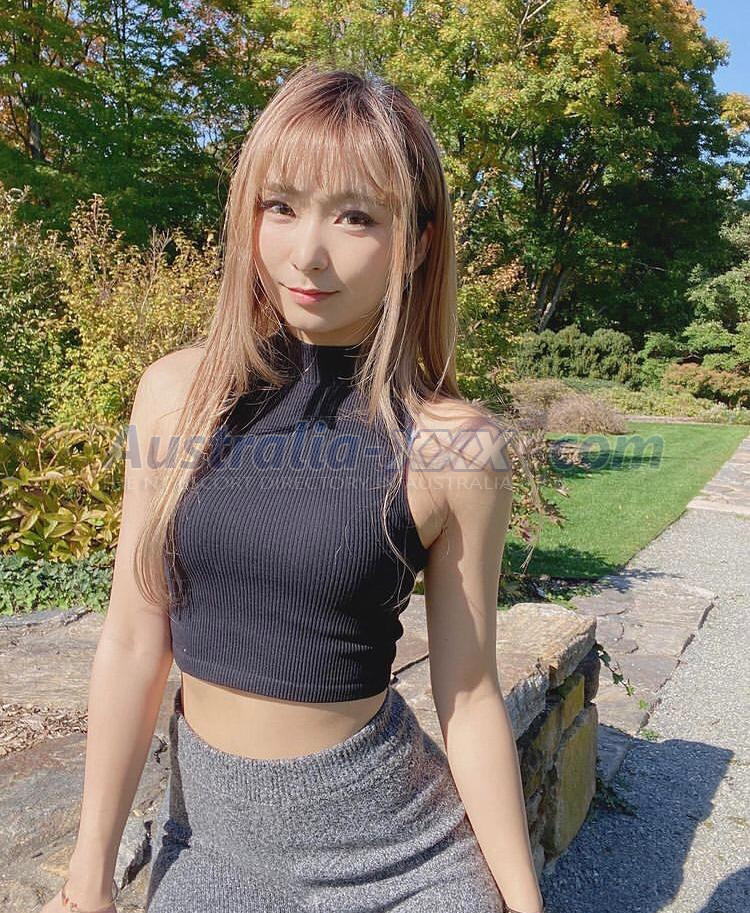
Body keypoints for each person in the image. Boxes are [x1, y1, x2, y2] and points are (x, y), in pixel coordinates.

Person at [43, 64, 546, 913]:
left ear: (418, 242)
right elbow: (132, 641)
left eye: (356, 216)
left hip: (403, 860)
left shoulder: (455, 447)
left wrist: (525, 905)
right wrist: (87, 878)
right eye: (281, 205)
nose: (307, 252)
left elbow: (468, 696)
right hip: (211, 849)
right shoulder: (176, 397)